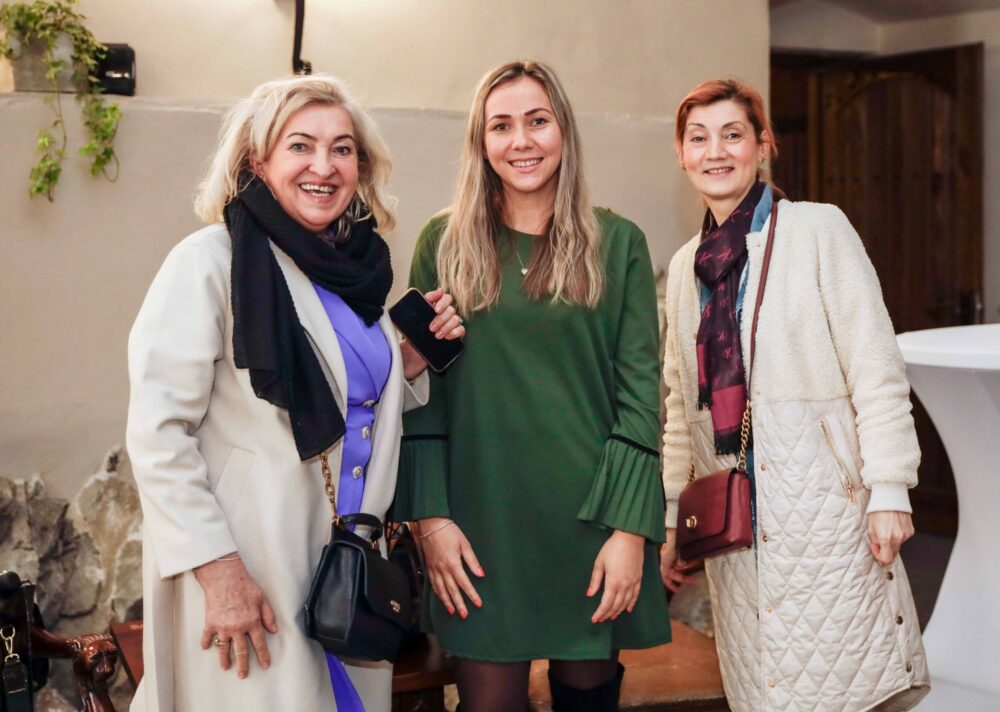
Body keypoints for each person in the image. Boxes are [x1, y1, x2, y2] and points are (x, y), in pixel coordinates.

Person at [125, 75, 464, 712]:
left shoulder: (353, 270)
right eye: (300, 145)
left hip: (346, 569)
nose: (323, 166)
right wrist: (218, 570)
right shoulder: (209, 262)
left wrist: (406, 365)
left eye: (342, 149)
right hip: (254, 565)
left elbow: (345, 398)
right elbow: (158, 434)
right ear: (258, 161)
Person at [393, 60, 671, 712]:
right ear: (481, 140)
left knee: (587, 702)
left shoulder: (618, 244)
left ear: (563, 130)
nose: (521, 141)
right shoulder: (443, 242)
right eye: (502, 125)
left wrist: (630, 531)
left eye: (537, 121)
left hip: (592, 522)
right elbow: (421, 399)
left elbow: (639, 399)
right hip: (478, 527)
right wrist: (431, 520)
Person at [660, 78, 930, 711]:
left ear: (763, 145)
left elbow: (875, 368)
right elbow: (679, 404)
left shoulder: (818, 230)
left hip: (825, 511)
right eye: (699, 138)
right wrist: (673, 515)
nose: (715, 151)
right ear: (682, 154)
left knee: (842, 684)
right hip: (734, 521)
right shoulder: (684, 266)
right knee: (766, 688)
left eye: (732, 134)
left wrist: (890, 488)